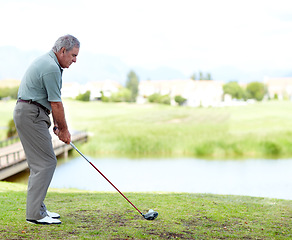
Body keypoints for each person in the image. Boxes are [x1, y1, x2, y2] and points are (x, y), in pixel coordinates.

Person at [13, 34, 80, 225]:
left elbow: (49, 101)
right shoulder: (51, 68)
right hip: (31, 114)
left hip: (32, 113)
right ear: (62, 51)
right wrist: (65, 130)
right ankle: (35, 214)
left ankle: (38, 209)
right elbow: (56, 104)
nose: (74, 60)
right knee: (46, 163)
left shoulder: (50, 63)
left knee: (41, 164)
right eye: (73, 55)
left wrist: (57, 125)